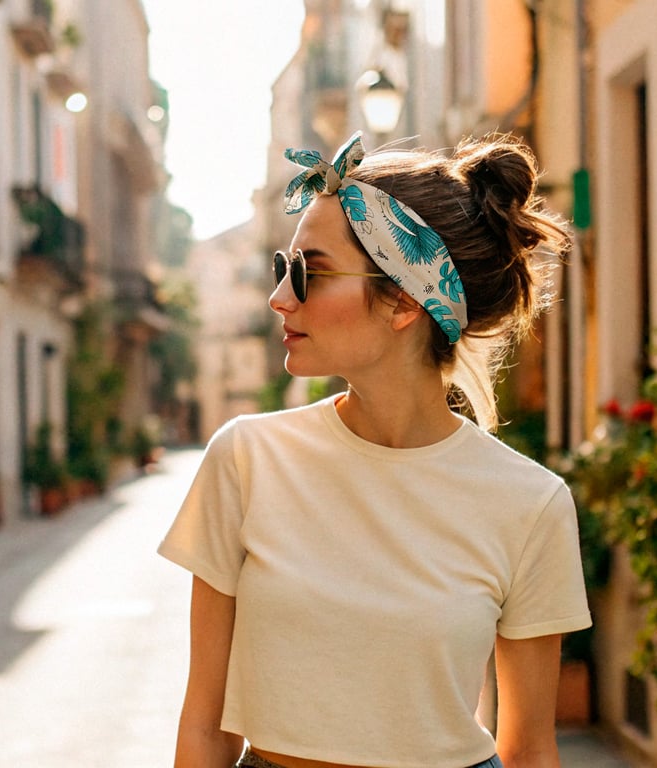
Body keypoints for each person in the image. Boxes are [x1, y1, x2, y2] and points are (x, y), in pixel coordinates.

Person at [158, 131, 592, 768]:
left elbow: (528, 750)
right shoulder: (246, 460)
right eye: (283, 269)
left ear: (403, 302)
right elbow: (205, 730)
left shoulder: (530, 503)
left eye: (310, 272)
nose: (280, 297)